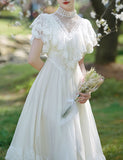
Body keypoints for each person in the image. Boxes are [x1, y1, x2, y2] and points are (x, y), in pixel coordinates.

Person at [5, 0, 106, 159]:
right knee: (51, 134)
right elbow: (33, 59)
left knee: (74, 135)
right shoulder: (45, 21)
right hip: (50, 87)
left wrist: (86, 88)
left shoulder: (84, 25)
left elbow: (80, 63)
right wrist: (55, 73)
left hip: (74, 88)